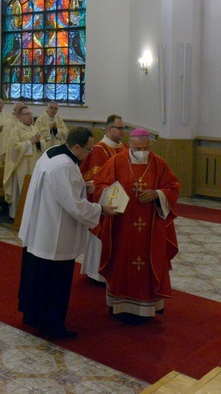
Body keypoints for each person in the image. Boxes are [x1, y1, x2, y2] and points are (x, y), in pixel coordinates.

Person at [18, 127, 117, 338]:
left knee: (38, 278)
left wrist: (83, 185)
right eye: (88, 149)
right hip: (55, 233)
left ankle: (34, 316)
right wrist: (101, 210)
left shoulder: (53, 152)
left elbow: (63, 188)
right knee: (55, 282)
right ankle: (53, 327)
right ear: (77, 146)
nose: (90, 154)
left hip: (41, 227)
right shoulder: (64, 166)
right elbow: (74, 206)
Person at [92, 128, 180, 321]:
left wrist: (157, 194)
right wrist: (115, 196)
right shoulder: (116, 161)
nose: (142, 152)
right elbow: (100, 185)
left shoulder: (158, 163)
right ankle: (119, 304)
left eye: (146, 148)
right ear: (130, 144)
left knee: (149, 262)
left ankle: (147, 308)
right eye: (138, 147)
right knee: (121, 261)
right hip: (121, 225)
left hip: (150, 226)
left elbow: (172, 187)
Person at [79, 114, 128, 282]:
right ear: (109, 129)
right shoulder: (100, 149)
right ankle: (96, 273)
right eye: (120, 128)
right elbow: (94, 178)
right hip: (104, 199)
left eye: (124, 128)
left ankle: (114, 272)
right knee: (102, 236)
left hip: (123, 199)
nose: (123, 131)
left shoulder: (124, 148)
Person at [3, 105, 44, 219]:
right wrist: (29, 142)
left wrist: (38, 142)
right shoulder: (16, 130)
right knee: (21, 189)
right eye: (27, 114)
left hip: (33, 163)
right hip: (21, 164)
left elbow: (42, 142)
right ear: (20, 117)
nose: (30, 117)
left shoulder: (34, 128)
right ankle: (17, 215)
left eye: (31, 114)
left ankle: (30, 215)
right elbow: (14, 148)